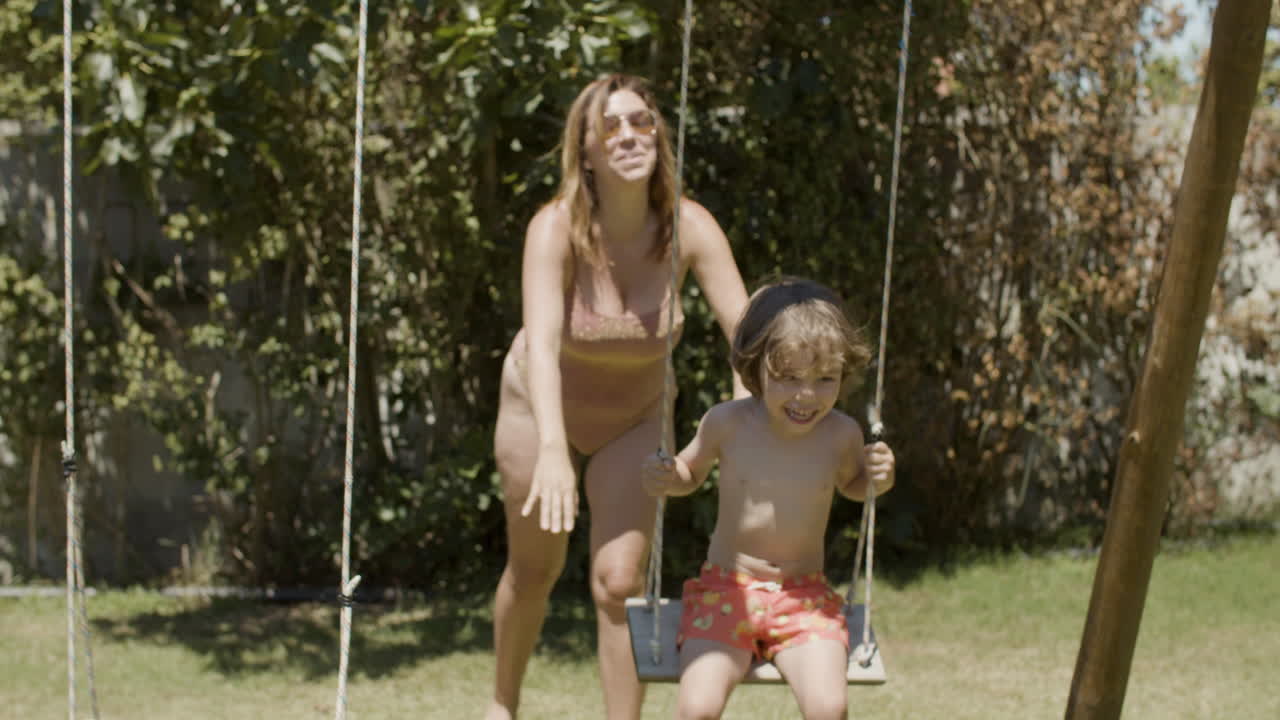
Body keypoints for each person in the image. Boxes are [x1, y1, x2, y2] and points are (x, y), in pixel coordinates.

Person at [486, 73, 750, 720]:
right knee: (533, 572)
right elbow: (543, 345)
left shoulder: (690, 227)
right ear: (587, 152)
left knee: (620, 582)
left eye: (640, 121)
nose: (629, 135)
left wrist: (750, 431)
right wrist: (552, 446)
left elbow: (749, 339)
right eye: (610, 126)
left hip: (635, 417)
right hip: (539, 408)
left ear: (658, 131)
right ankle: (502, 704)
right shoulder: (554, 229)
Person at [640, 277, 896, 720]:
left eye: (824, 379)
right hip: (726, 589)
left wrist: (878, 478)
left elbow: (855, 486)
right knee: (697, 707)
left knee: (828, 707)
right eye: (789, 377)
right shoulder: (727, 423)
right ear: (754, 369)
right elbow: (688, 473)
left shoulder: (841, 434)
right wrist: (666, 475)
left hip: (805, 598)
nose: (806, 394)